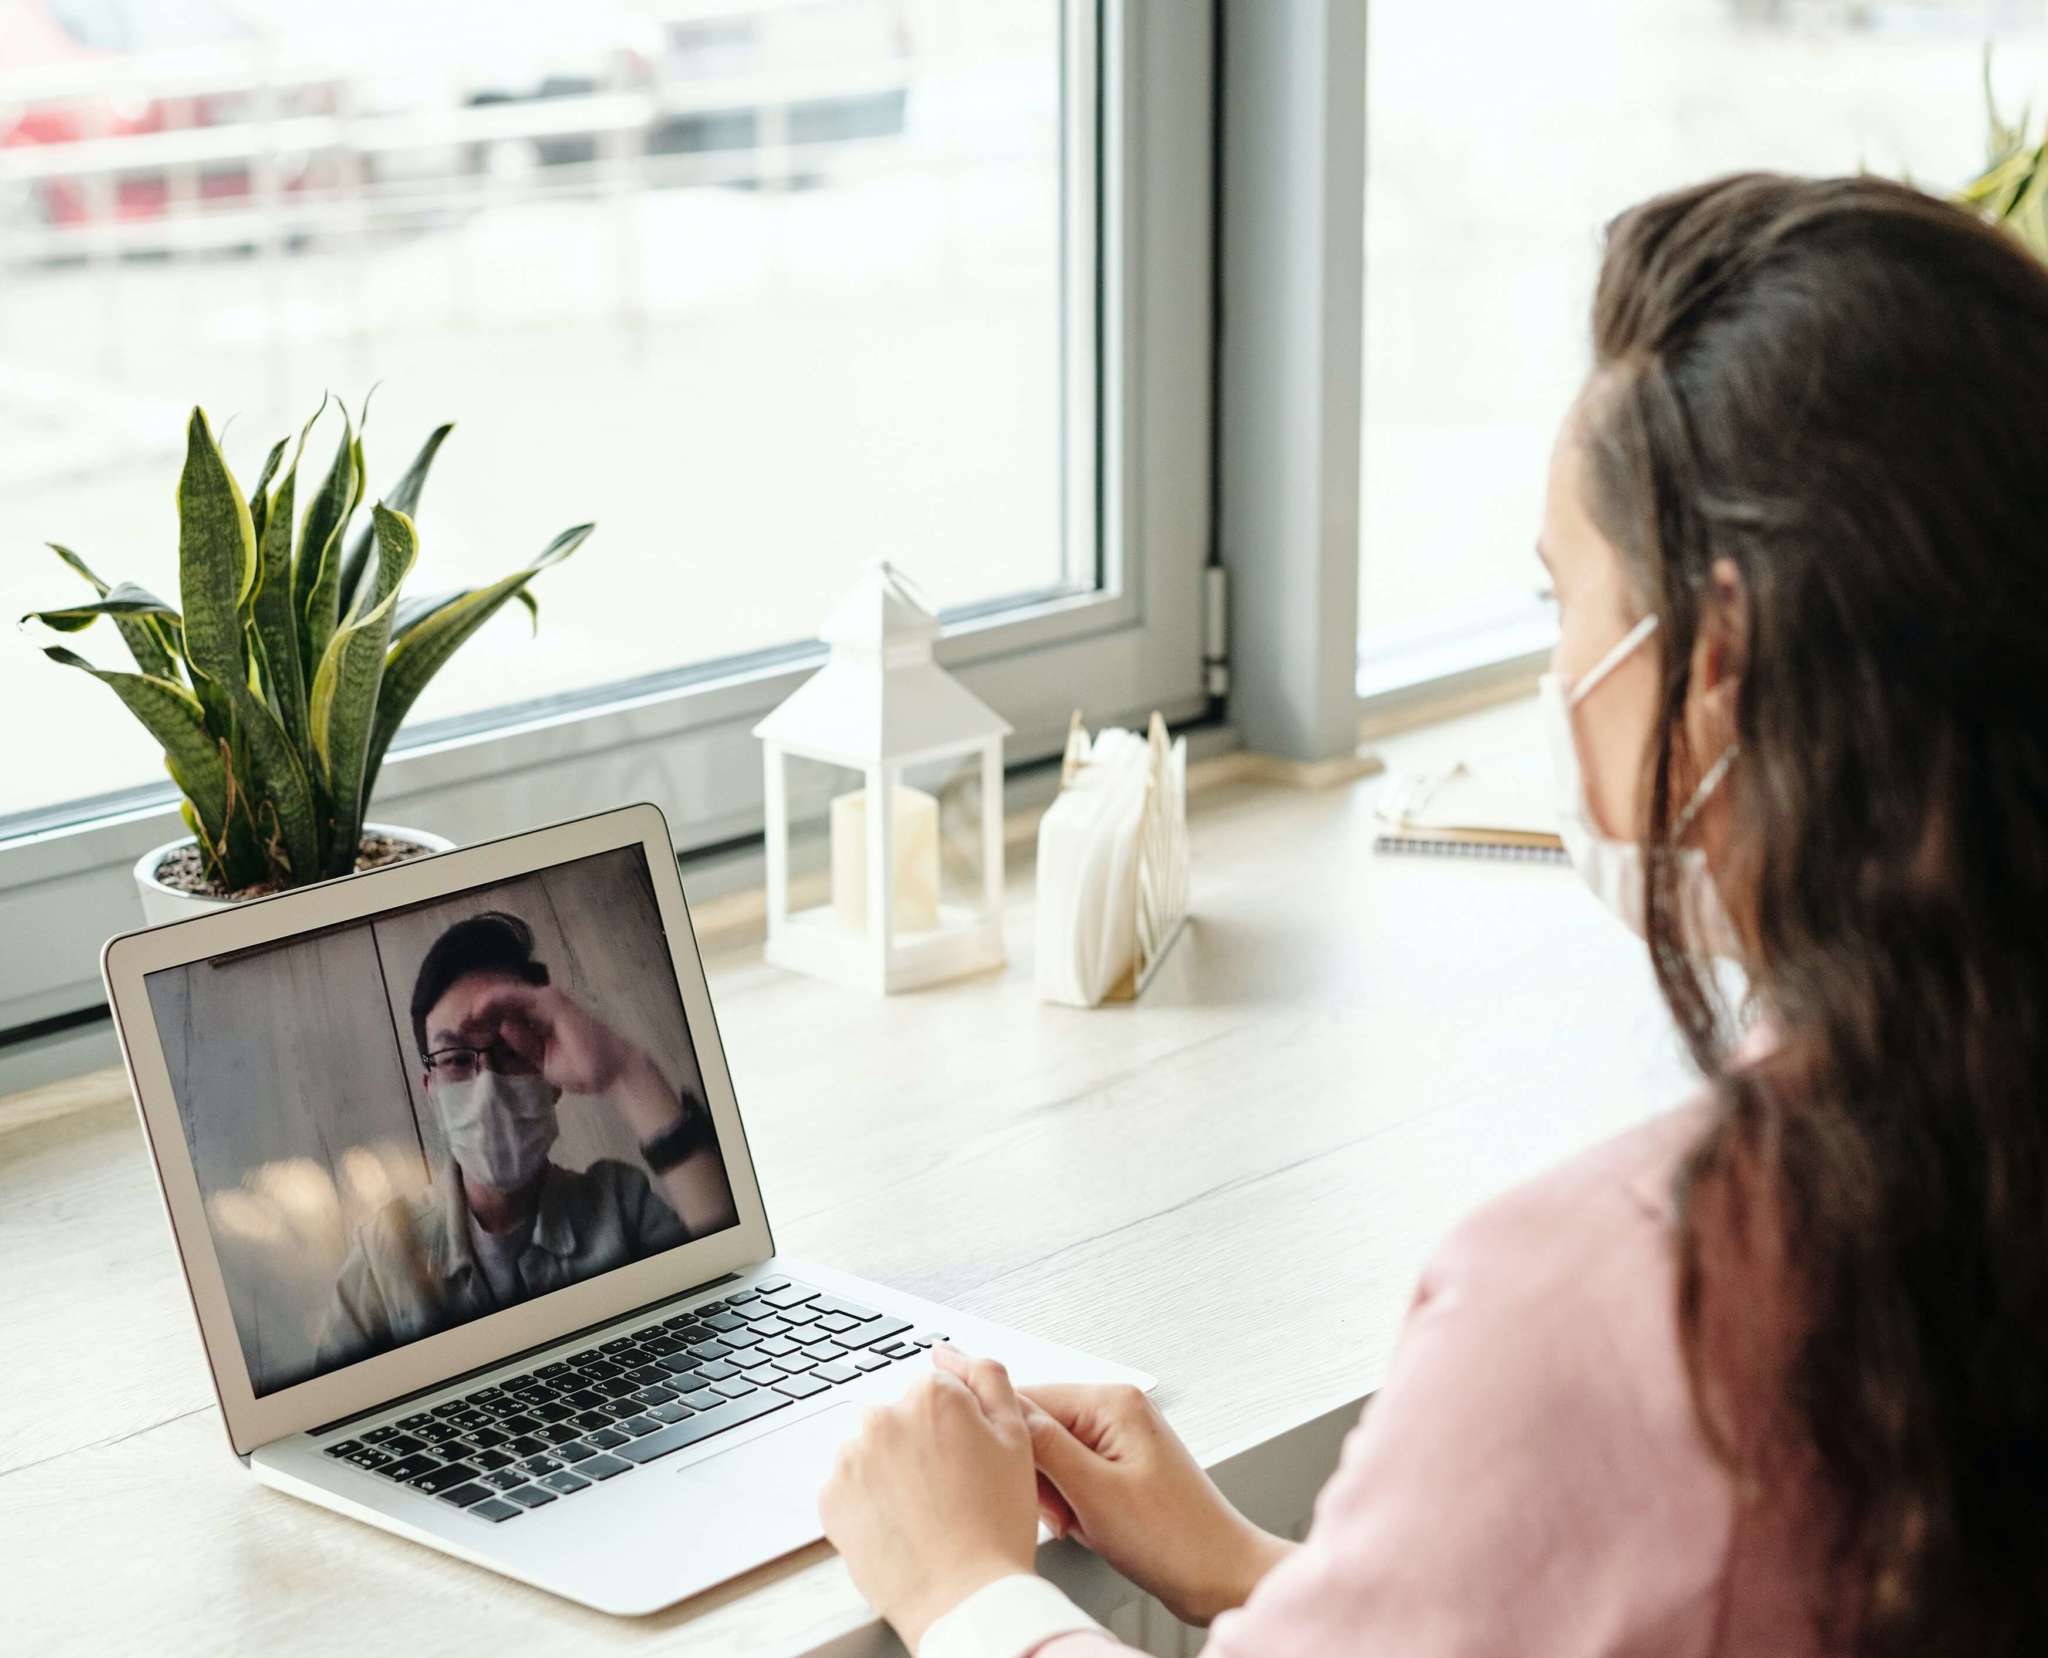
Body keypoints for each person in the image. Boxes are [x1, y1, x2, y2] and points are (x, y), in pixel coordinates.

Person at [818, 172, 2048, 1657]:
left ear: (1715, 664)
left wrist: (964, 1586)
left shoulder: (1622, 1304)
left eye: (1562, 605)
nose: (1559, 669)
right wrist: (1267, 1574)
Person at [315, 911, 739, 1371]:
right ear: (431, 1087)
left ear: (552, 1075)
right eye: (456, 1058)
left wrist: (624, 1071)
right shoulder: (383, 1255)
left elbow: (734, 1291)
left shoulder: (621, 1205)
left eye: (513, 1052)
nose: (489, 1085)